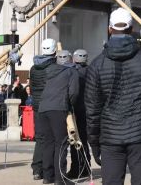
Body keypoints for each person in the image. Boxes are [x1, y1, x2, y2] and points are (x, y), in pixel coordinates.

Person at [85, 8, 141, 185]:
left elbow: (92, 109)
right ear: (131, 29)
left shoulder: (97, 65)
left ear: (109, 29)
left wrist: (94, 141)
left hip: (110, 135)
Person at [38, 46, 79, 185]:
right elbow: (74, 93)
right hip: (58, 108)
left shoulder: (49, 71)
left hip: (43, 109)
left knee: (48, 143)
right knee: (60, 143)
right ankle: (60, 178)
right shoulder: (71, 71)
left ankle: (47, 176)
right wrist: (70, 106)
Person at [30, 38, 58, 180]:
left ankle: (36, 168)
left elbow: (33, 87)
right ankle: (48, 169)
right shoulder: (54, 67)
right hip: (50, 105)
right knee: (51, 138)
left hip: (36, 105)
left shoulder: (33, 68)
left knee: (40, 138)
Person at [68, 49, 91, 180]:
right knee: (84, 140)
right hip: (87, 110)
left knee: (75, 141)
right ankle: (86, 167)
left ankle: (76, 168)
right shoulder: (91, 71)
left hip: (76, 109)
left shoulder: (72, 72)